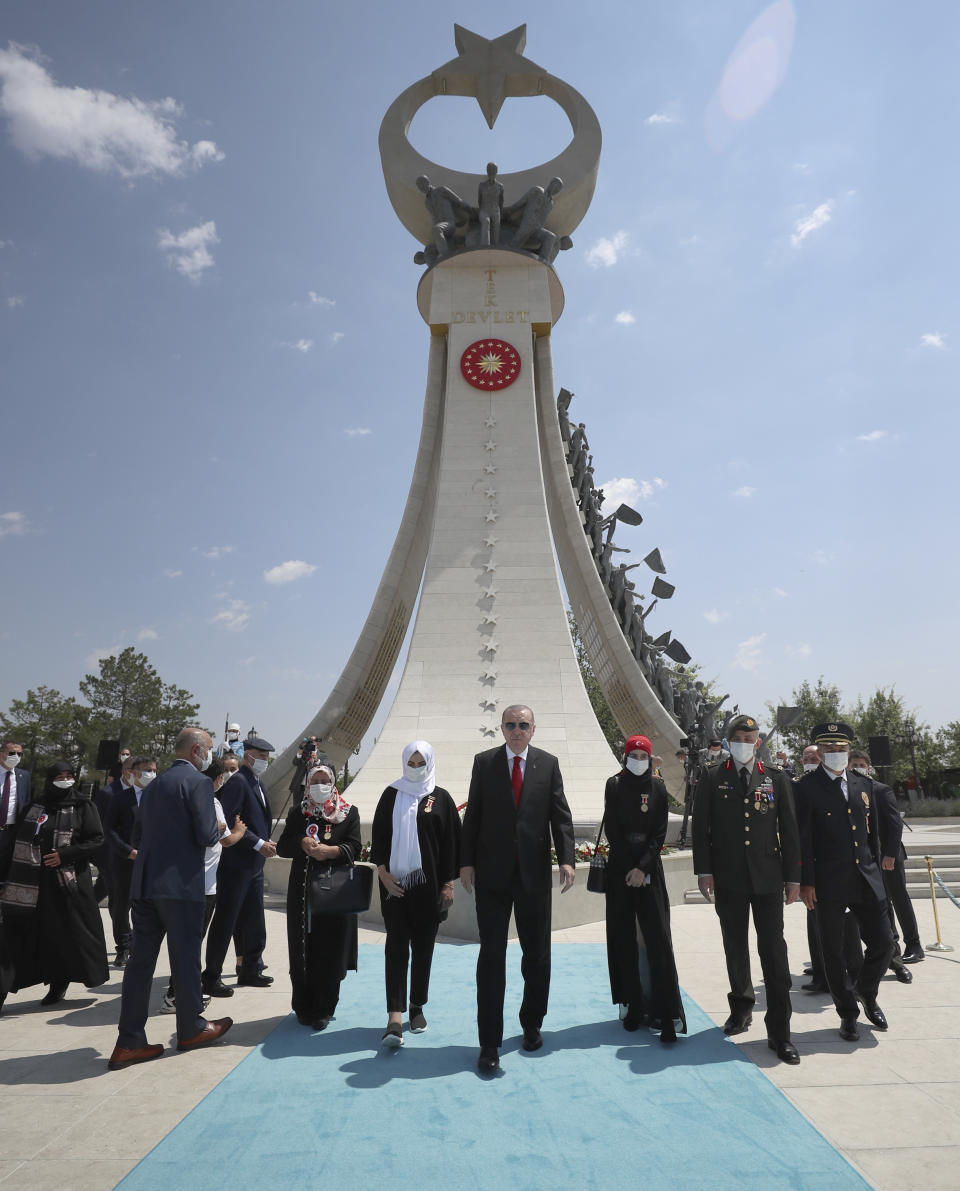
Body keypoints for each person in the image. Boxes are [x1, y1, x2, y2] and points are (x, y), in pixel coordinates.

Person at [460, 704, 575, 1072]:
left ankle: (531, 1023)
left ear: (533, 729)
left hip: (533, 877)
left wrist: (568, 859)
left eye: (523, 724)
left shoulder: (548, 763)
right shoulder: (485, 762)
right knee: (491, 959)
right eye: (510, 724)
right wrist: (465, 862)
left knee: (537, 956)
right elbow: (473, 814)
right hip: (492, 877)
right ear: (502, 728)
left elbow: (561, 815)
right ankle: (489, 1044)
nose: (516, 730)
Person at [110, 728, 232, 1070]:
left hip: (146, 885)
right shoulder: (199, 784)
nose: (210, 754)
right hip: (180, 888)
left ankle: (129, 1041)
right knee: (186, 958)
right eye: (208, 749)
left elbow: (140, 834)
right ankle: (191, 1028)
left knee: (140, 964)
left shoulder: (154, 786)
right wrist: (225, 828)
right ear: (197, 750)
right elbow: (208, 835)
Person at [692, 714, 801, 1065]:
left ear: (758, 742)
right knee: (735, 945)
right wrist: (704, 871)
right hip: (729, 878)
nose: (745, 742)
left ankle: (780, 1032)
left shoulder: (776, 777)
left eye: (750, 737)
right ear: (729, 741)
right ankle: (741, 1008)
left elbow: (790, 829)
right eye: (739, 737)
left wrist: (793, 877)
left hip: (768, 877)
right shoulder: (712, 777)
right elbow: (701, 828)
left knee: (774, 951)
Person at [796, 723, 896, 1043]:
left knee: (884, 943)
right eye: (830, 749)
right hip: (827, 882)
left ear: (849, 751)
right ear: (820, 751)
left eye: (842, 749)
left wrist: (877, 875)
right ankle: (848, 1014)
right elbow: (803, 840)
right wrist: (806, 883)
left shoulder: (862, 783)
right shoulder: (806, 788)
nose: (837, 754)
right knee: (834, 952)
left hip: (865, 877)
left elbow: (871, 835)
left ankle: (866, 991)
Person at [371, 741, 460, 1047]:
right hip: (395, 887)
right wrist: (383, 875)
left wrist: (448, 884)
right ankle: (394, 1017)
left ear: (431, 762)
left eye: (421, 762)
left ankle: (416, 1006)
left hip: (430, 887)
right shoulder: (391, 794)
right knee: (396, 949)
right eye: (412, 762)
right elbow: (379, 838)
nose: (416, 767)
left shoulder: (442, 798)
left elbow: (451, 844)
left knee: (423, 949)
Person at [1, 761, 109, 1010]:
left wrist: (66, 854)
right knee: (18, 936)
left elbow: (96, 840)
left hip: (67, 884)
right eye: (59, 776)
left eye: (69, 775)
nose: (65, 779)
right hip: (30, 884)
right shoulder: (35, 806)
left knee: (65, 935)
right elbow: (15, 841)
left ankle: (59, 983)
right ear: (50, 779)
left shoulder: (83, 806)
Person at [604, 735, 685, 1042]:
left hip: (649, 870)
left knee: (658, 940)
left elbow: (659, 833)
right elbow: (613, 829)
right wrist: (629, 869)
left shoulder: (659, 788)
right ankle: (632, 1005)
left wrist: (643, 867)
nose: (638, 759)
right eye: (633, 754)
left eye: (643, 755)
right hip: (621, 872)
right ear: (625, 757)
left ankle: (666, 1011)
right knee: (624, 939)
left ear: (650, 759)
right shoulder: (613, 785)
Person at [276, 763, 361, 1030]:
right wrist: (301, 842)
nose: (320, 785)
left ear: (334, 783)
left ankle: (324, 1007)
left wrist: (331, 852)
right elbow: (283, 846)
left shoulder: (348, 812)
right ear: (308, 784)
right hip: (302, 893)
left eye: (325, 780)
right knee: (302, 947)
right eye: (315, 781)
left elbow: (355, 847)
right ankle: (303, 1005)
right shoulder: (298, 813)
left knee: (330, 947)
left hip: (333, 894)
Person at [160, 757, 246, 1015]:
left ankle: (181, 990)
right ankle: (177, 995)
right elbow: (226, 839)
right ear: (218, 778)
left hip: (186, 881)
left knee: (187, 941)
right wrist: (238, 830)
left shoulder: (185, 798)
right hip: (203, 885)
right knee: (191, 943)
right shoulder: (211, 800)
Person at [203, 735, 277, 996]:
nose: (265, 762)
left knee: (254, 918)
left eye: (267, 757)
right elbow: (232, 822)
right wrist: (258, 843)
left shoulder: (256, 782)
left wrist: (263, 841)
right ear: (249, 756)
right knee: (226, 919)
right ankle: (211, 974)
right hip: (236, 864)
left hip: (254, 865)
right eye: (262, 757)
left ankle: (251, 968)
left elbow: (256, 820)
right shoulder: (238, 782)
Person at [849, 748, 922, 975]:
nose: (857, 768)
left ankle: (914, 944)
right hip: (869, 858)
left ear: (869, 767)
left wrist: (889, 854)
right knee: (882, 904)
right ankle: (892, 947)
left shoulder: (881, 790)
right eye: (854, 764)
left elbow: (895, 825)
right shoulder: (850, 791)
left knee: (899, 899)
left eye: (861, 764)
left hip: (889, 855)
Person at [103, 756, 156, 968]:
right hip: (125, 860)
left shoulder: (161, 798)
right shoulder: (119, 798)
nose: (151, 774)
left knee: (148, 906)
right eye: (146, 770)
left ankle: (141, 944)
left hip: (152, 862)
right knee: (121, 906)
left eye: (154, 769)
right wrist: (128, 851)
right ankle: (123, 946)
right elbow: (109, 830)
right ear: (133, 773)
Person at [0, 741, 31, 878]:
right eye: (12, 753)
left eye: (20, 754)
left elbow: (27, 802)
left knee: (6, 868)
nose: (16, 757)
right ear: (1, 754)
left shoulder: (24, 776)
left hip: (11, 831)